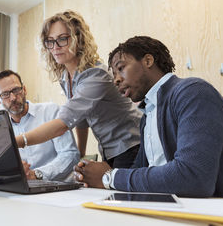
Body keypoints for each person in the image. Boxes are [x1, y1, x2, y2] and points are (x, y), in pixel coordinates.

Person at [75, 36, 223, 198]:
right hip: (174, 210)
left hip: (218, 213)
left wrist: (110, 177)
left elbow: (194, 178)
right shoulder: (147, 116)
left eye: (121, 68)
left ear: (148, 61)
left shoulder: (193, 92)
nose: (116, 80)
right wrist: (104, 172)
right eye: (114, 74)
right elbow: (139, 172)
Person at [14, 10, 142, 172]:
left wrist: (16, 141)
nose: (55, 47)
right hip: (110, 149)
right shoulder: (66, 78)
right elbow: (80, 119)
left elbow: (63, 123)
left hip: (131, 145)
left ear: (78, 39)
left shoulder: (95, 74)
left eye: (62, 39)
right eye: (50, 41)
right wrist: (81, 154)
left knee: (123, 194)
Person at [0, 70, 80, 181]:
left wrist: (37, 174)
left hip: (58, 188)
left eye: (16, 90)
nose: (13, 98)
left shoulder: (51, 111)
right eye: (5, 94)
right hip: (22, 190)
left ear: (24, 90)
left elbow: (70, 154)